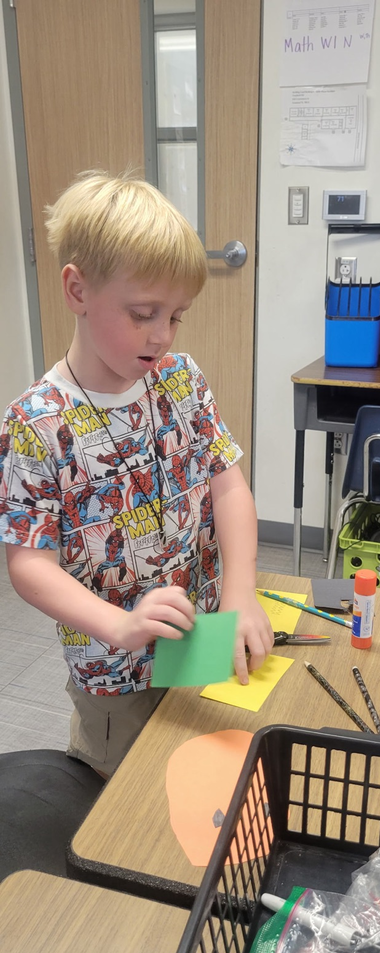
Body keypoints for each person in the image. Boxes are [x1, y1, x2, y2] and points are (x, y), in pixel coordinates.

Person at [0, 170, 273, 777]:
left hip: (198, 634)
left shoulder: (180, 379)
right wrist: (120, 625)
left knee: (196, 781)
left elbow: (227, 484)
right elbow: (28, 567)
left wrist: (240, 592)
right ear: (77, 290)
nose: (162, 335)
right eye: (144, 312)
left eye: (176, 316)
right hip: (112, 674)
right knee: (119, 804)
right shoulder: (36, 424)